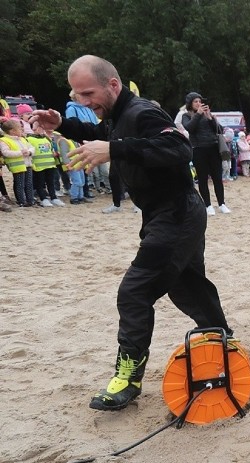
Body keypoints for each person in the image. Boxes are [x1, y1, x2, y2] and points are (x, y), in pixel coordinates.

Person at [30, 55, 233, 411]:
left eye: (87, 93)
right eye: (76, 95)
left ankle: (128, 378)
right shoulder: (116, 116)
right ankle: (222, 340)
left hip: (177, 214)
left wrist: (114, 149)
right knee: (186, 284)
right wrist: (63, 124)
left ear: (113, 85)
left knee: (135, 292)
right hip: (167, 215)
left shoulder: (142, 112)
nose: (83, 101)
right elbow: (104, 135)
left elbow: (179, 147)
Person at [182, 92, 230, 214]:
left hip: (213, 148)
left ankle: (222, 203)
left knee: (217, 178)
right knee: (203, 179)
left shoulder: (207, 114)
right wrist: (198, 114)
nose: (199, 104)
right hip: (198, 149)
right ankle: (208, 205)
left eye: (200, 101)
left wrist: (210, 118)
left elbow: (218, 129)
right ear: (190, 104)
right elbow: (190, 128)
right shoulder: (186, 115)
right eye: (195, 102)